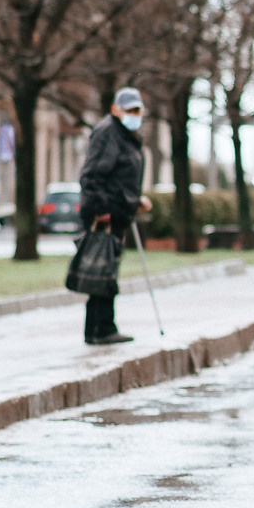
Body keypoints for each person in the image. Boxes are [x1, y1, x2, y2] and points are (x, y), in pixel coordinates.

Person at [76, 87, 152, 346]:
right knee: (102, 269)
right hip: (105, 214)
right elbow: (92, 175)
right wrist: (102, 211)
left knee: (105, 269)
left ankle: (99, 329)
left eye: (137, 110)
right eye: (129, 109)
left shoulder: (126, 134)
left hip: (117, 210)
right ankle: (102, 328)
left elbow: (120, 175)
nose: (134, 114)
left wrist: (134, 199)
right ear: (115, 110)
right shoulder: (109, 132)